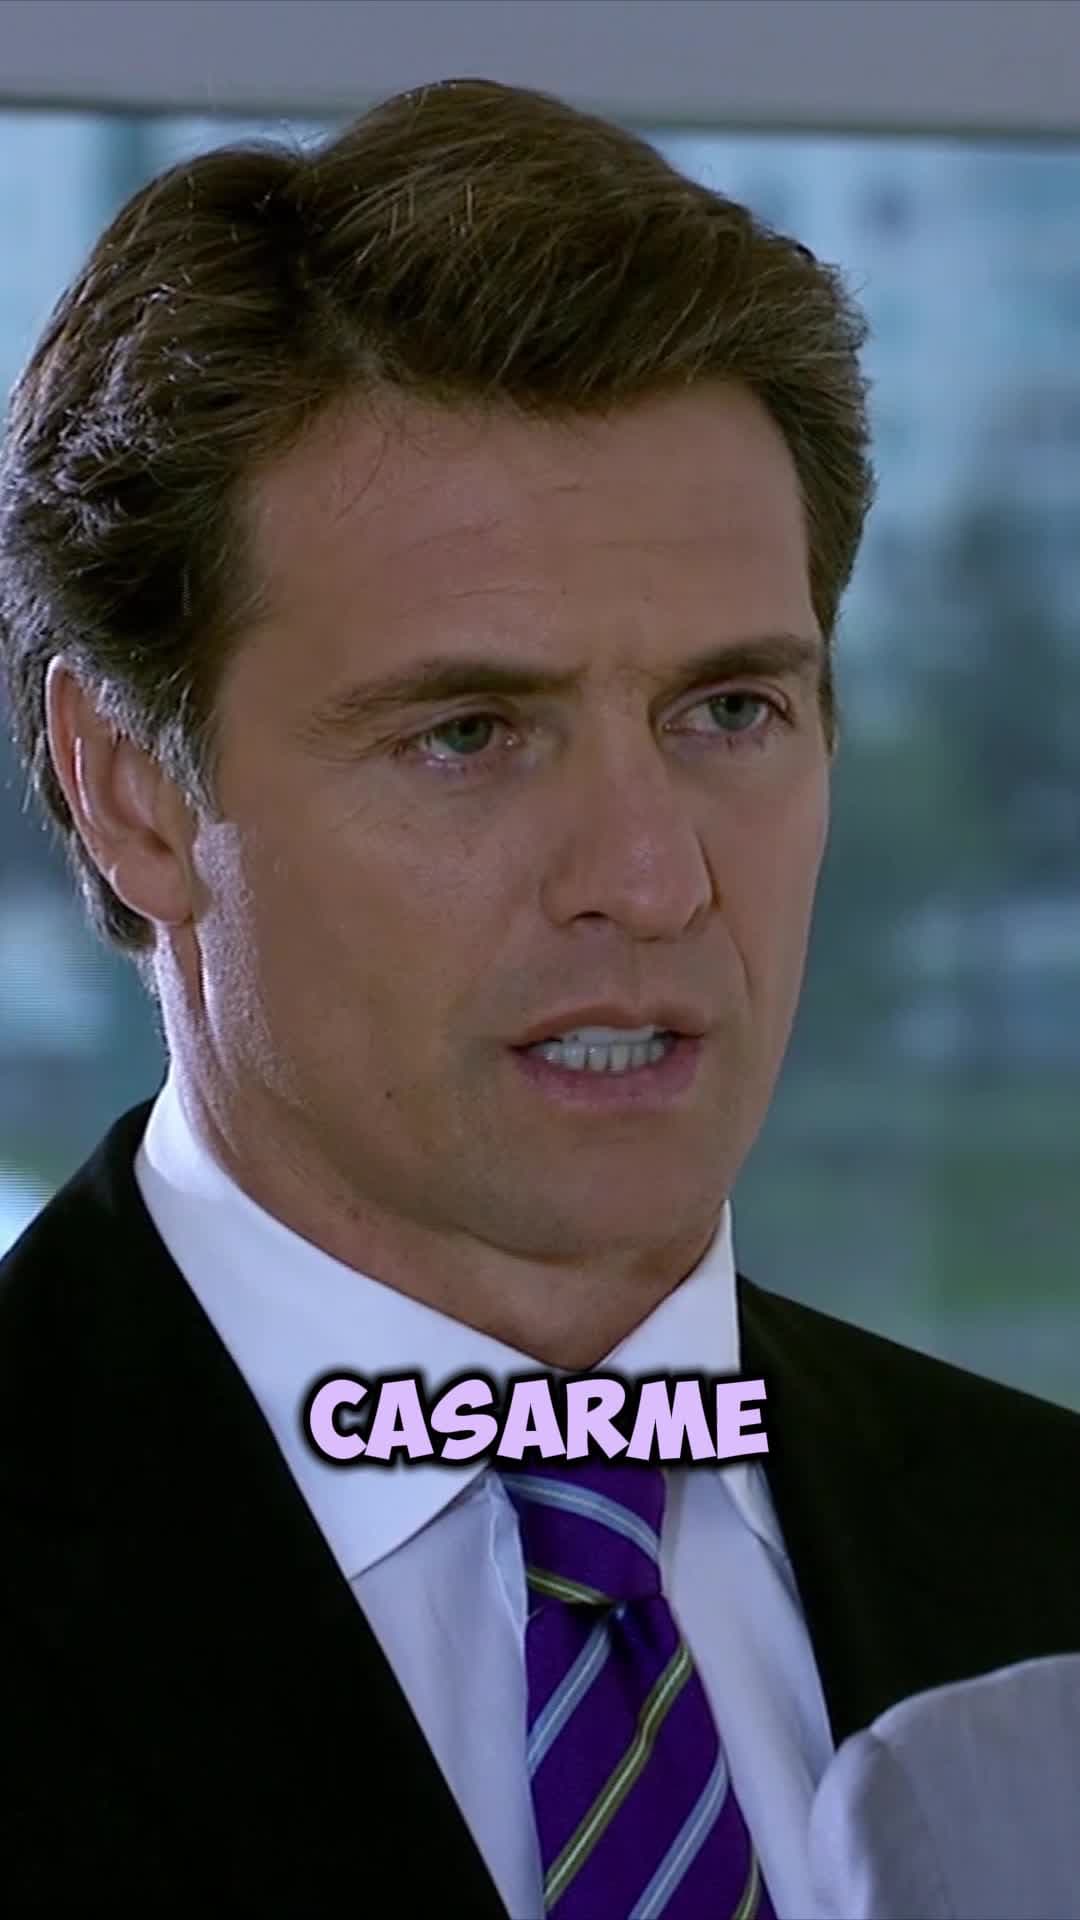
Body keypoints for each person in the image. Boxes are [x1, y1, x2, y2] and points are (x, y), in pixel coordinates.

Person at [1, 76, 1077, 1919]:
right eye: (470, 734)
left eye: (729, 710)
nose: (652, 880)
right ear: (133, 792)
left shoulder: (1046, 1553)